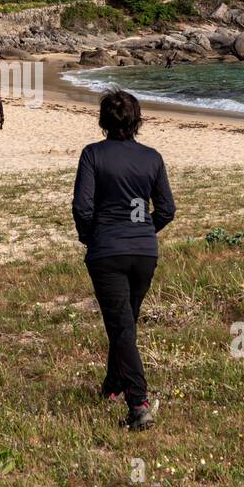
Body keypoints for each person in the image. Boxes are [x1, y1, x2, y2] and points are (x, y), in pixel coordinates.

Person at [72, 90, 176, 430]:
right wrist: (145, 230)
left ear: (103, 121)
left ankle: (138, 403)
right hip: (144, 252)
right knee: (125, 324)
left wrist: (92, 236)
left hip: (108, 252)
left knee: (121, 327)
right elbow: (166, 210)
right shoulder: (152, 157)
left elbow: (82, 208)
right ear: (137, 120)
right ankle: (113, 385)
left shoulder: (92, 155)